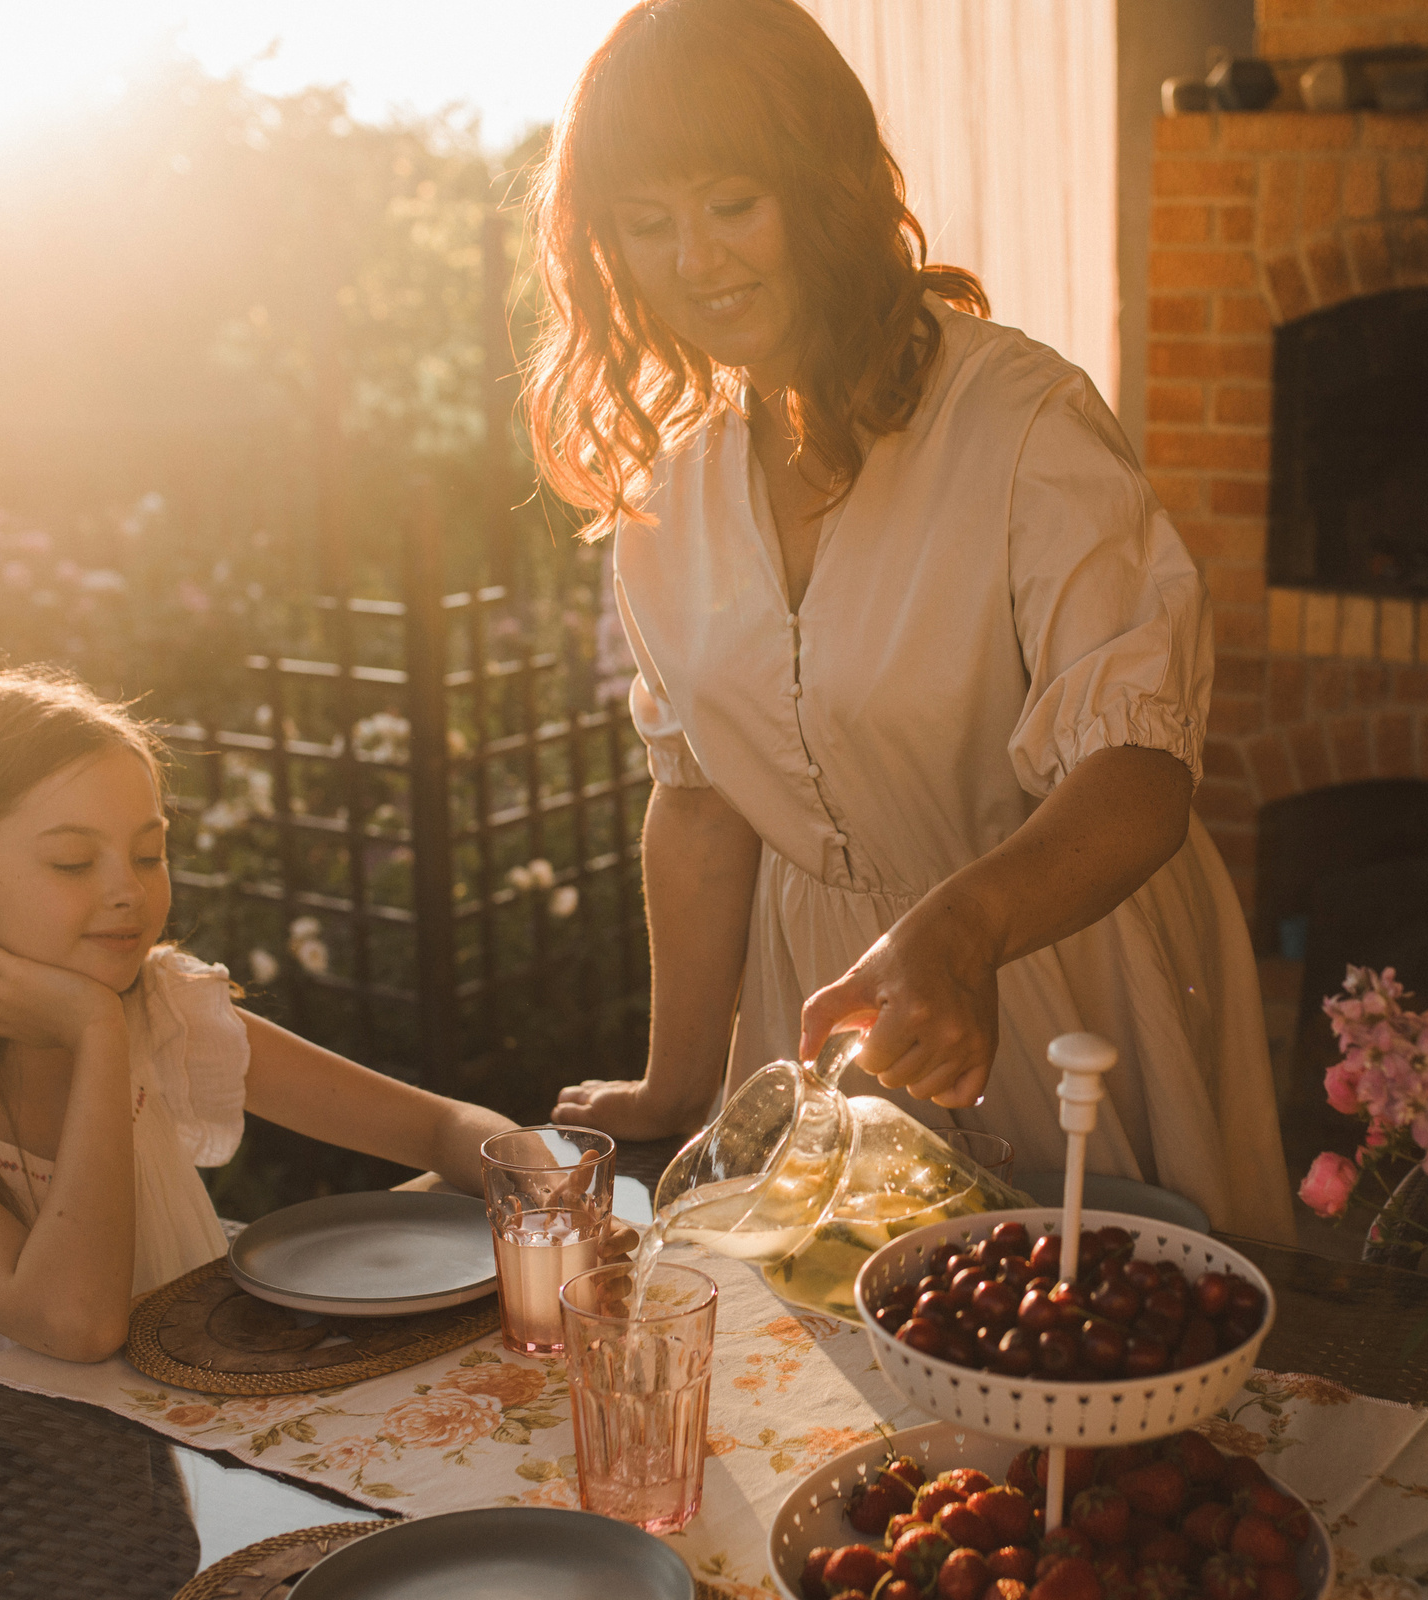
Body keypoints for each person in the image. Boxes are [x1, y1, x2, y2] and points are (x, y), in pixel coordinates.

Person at [530, 0, 1294, 1242]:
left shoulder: (1023, 421)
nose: (696, 261)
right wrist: (676, 1083)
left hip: (1058, 974)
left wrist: (963, 929)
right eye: (648, 222)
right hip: (821, 1024)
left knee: (1088, 1334)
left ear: (823, 184)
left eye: (731, 203)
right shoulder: (670, 492)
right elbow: (702, 802)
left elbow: (1140, 772)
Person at [0, 669, 515, 1412]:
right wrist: (96, 1033)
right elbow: (76, 1322)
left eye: (148, 854)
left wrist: (543, 1184)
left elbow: (442, 1127)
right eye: (73, 862)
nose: (128, 889)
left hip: (189, 1448)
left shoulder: (162, 1009)